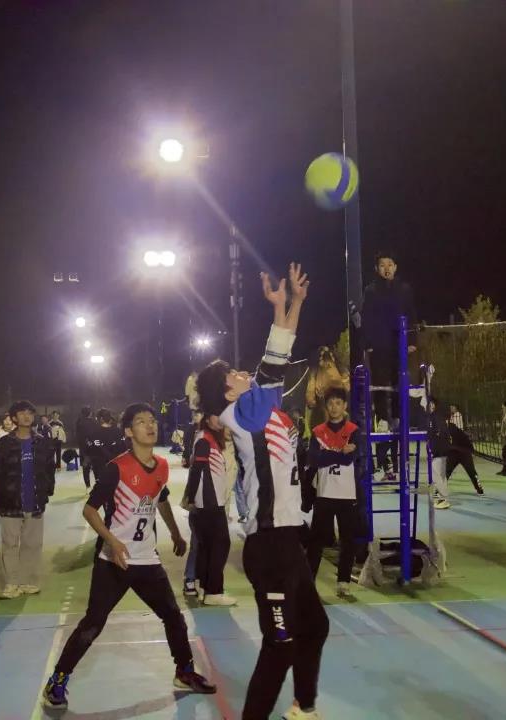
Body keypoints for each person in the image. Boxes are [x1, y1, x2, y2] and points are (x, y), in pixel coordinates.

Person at [196, 262, 329, 720]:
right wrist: (282, 307)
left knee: (314, 627)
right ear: (228, 393)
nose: (243, 373)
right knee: (280, 644)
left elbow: (278, 358)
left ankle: (303, 707)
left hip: (288, 538)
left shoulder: (258, 409)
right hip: (270, 545)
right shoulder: (243, 414)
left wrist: (292, 303)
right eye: (235, 373)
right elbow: (274, 358)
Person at [41, 403, 216, 708]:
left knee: (174, 617)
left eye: (152, 420)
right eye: (141, 421)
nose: (150, 425)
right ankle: (57, 679)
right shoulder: (117, 468)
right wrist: (112, 541)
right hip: (114, 561)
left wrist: (175, 533)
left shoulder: (161, 466)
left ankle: (184, 672)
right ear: (128, 431)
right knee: (93, 623)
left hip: (147, 560)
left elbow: (160, 499)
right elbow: (90, 510)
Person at [0, 400, 56, 600]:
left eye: (30, 412)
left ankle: (27, 581)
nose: (27, 416)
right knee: (10, 544)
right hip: (10, 503)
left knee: (32, 544)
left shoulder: (42, 442)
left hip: (35, 501)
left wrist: (46, 491)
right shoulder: (5, 443)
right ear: (14, 418)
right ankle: (11, 584)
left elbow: (49, 469)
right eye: (22, 413)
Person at [303, 386, 361, 597]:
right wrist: (340, 453)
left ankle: (343, 582)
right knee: (316, 542)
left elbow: (350, 459)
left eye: (338, 403)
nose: (334, 407)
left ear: (344, 406)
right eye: (330, 403)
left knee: (348, 540)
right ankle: (309, 582)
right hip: (324, 494)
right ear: (326, 407)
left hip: (347, 494)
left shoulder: (353, 430)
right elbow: (314, 459)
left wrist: (328, 454)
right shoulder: (318, 432)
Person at [181, 414, 236, 606]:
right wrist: (191, 499)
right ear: (207, 419)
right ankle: (214, 591)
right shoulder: (205, 439)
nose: (221, 420)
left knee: (207, 547)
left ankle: (203, 585)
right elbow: (196, 469)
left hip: (210, 502)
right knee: (221, 545)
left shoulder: (210, 438)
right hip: (209, 503)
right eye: (216, 416)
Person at [361, 251, 417, 438]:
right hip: (379, 344)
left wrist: (412, 341)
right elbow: (366, 318)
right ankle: (383, 418)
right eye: (382, 265)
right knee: (379, 382)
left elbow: (411, 315)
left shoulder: (404, 289)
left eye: (390, 265)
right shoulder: (370, 291)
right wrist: (367, 342)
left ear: (395, 267)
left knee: (399, 380)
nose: (386, 268)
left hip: (399, 343)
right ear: (377, 269)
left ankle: (399, 417)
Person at [305, 345, 350, 429]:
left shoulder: (337, 365)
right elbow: (347, 384)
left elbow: (347, 384)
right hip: (326, 400)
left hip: (331, 398)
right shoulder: (316, 369)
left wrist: (311, 401)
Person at [426, 400, 453, 509]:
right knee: (441, 475)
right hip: (443, 450)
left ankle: (443, 499)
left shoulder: (435, 417)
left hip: (440, 450)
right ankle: (443, 498)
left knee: (436, 475)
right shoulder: (437, 416)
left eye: (431, 404)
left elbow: (439, 433)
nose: (430, 406)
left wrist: (435, 449)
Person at [447, 419, 484, 496]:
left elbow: (466, 441)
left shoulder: (453, 429)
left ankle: (479, 488)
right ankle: (439, 489)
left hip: (463, 453)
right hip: (455, 453)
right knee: (447, 471)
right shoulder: (443, 429)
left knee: (472, 472)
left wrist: (471, 450)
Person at [86, 408, 127, 473]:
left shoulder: (94, 433)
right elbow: (124, 448)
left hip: (100, 468)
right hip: (118, 466)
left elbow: (90, 450)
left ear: (101, 419)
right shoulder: (118, 431)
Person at [74, 406, 97, 490]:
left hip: (84, 449)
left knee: (86, 468)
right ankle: (98, 484)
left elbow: (78, 436)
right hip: (94, 449)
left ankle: (87, 486)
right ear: (90, 413)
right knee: (96, 467)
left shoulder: (79, 422)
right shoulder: (94, 422)